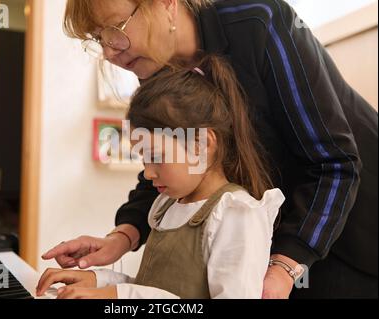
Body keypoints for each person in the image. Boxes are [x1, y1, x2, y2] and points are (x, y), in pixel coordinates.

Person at [42, 0, 378, 298]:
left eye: (114, 30)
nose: (109, 51)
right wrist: (122, 236)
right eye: (98, 38)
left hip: (348, 229)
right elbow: (172, 171)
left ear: (165, 4)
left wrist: (285, 265)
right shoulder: (157, 66)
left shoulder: (259, 23)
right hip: (279, 239)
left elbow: (335, 164)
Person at [37, 55, 285, 298]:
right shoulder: (165, 206)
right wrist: (99, 281)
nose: (147, 172)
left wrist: (117, 295)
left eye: (156, 156)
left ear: (202, 143)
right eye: (143, 159)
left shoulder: (235, 214)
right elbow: (157, 287)